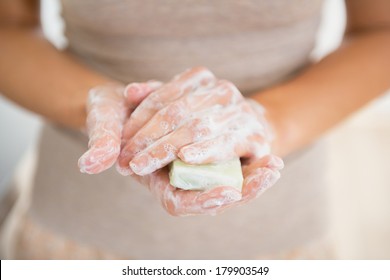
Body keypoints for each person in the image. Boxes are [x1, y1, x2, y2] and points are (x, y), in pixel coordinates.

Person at [0, 0, 389, 259]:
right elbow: (8, 26)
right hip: (75, 233)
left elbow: (381, 31)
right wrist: (97, 107)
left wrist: (268, 120)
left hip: (278, 238)